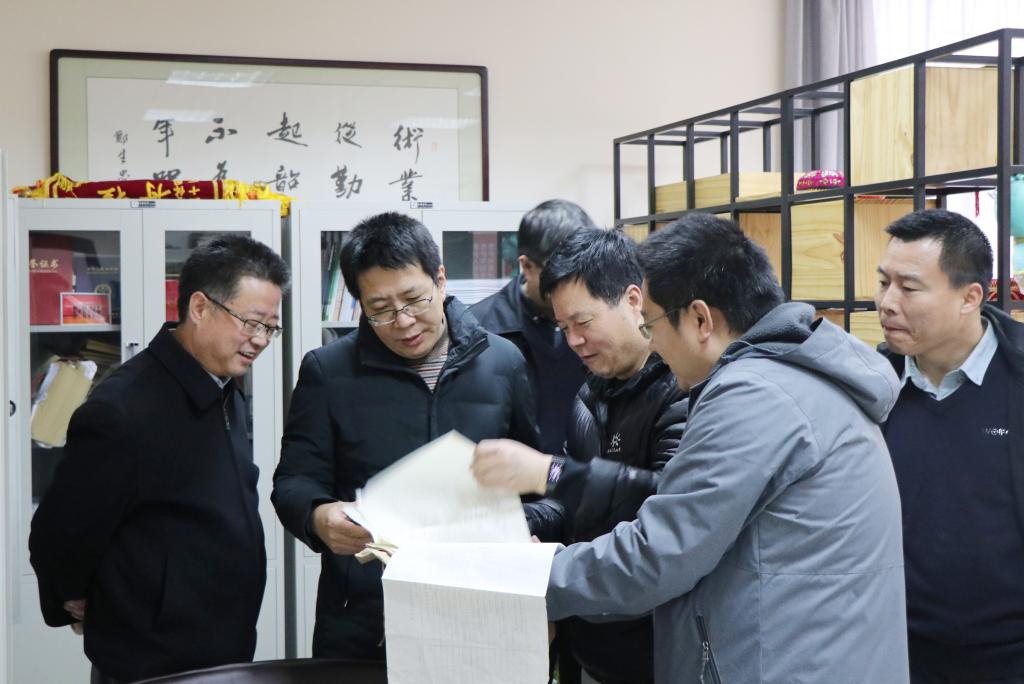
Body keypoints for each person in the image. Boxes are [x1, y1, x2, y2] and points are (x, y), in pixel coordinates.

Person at [536, 214, 909, 682]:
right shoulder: (789, 376)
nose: (652, 343)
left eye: (651, 323)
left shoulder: (754, 396)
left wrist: (528, 576)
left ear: (700, 319)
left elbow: (658, 554)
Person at [272, 211, 539, 662]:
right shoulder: (328, 371)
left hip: (478, 605)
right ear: (360, 304)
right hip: (363, 617)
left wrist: (517, 528)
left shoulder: (502, 361)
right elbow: (294, 480)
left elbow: (539, 482)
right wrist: (318, 517)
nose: (404, 322)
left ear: (440, 279)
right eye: (380, 310)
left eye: (415, 300)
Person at [29, 235, 290, 684]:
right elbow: (61, 531)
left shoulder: (224, 385)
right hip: (152, 658)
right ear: (200, 307)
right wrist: (76, 597)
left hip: (220, 644)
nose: (261, 340)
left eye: (271, 327)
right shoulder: (122, 409)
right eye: (252, 323)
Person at [472, 227, 687, 683]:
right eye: (563, 327)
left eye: (583, 322)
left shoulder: (681, 389)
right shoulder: (591, 394)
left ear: (633, 300)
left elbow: (671, 505)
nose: (573, 341)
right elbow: (572, 507)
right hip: (589, 637)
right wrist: (509, 526)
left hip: (659, 646)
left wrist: (548, 471)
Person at [876, 208, 1024, 683]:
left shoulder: (1017, 379)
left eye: (909, 288)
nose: (887, 303)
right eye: (884, 283)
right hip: (894, 651)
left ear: (970, 297)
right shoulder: (870, 387)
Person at [471, 199, 592, 455]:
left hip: (588, 475)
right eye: (562, 274)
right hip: (514, 475)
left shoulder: (604, 319)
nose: (576, 284)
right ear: (526, 266)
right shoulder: (478, 329)